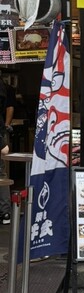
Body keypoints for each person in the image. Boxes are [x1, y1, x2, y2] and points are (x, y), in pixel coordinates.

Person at [0, 75, 14, 224]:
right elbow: (10, 107)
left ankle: (5, 212)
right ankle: (5, 212)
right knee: (1, 173)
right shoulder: (6, 88)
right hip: (1, 131)